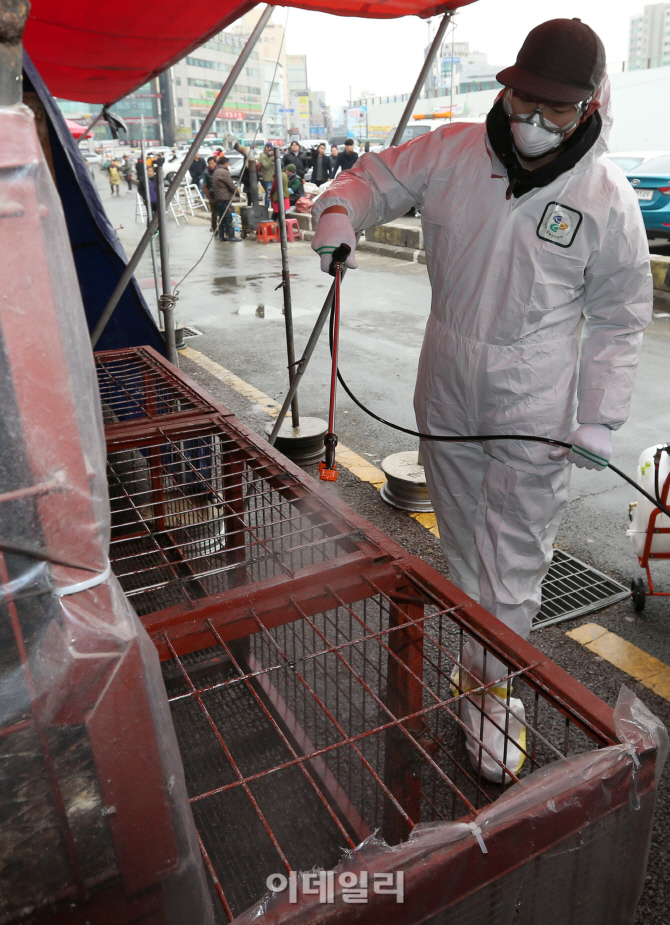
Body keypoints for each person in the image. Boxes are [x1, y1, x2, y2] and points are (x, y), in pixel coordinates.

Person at [310, 18, 652, 782]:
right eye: (524, 99)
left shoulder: (605, 196)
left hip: (535, 398)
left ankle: (496, 691)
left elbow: (623, 314)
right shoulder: (454, 150)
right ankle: (478, 662)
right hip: (448, 380)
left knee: (518, 553)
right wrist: (339, 213)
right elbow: (374, 179)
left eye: (553, 110)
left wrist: (597, 414)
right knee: (464, 541)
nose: (532, 120)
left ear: (591, 105)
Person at [211, 155, 240, 242]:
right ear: (225, 163)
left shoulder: (216, 171)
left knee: (221, 217)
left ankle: (221, 236)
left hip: (218, 198)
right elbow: (230, 184)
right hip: (224, 198)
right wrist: (237, 193)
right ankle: (231, 236)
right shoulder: (224, 172)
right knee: (227, 217)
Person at [203, 156, 218, 232]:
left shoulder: (219, 170)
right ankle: (214, 228)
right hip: (212, 195)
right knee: (214, 214)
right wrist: (208, 196)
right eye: (209, 163)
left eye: (212, 163)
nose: (211, 165)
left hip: (220, 194)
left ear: (215, 163)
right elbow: (204, 185)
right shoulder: (206, 172)